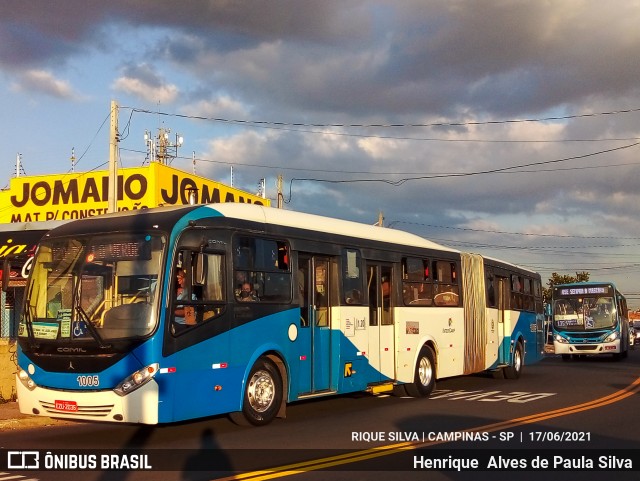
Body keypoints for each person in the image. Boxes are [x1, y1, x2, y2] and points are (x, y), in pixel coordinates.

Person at [174, 268, 196, 332]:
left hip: (183, 326)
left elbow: (187, 312)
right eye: (176, 276)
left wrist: (170, 311)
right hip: (169, 323)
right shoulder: (169, 293)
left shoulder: (190, 295)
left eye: (180, 276)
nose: (178, 278)